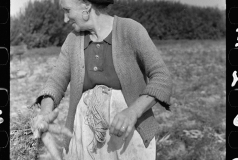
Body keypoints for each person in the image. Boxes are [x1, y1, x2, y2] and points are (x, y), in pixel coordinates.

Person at [31, 0, 173, 159]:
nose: (65, 19)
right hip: (84, 136)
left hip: (130, 133)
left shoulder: (130, 30)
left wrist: (133, 111)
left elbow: (162, 77)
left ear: (86, 6)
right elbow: (55, 82)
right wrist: (45, 112)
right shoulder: (73, 40)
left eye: (67, 10)